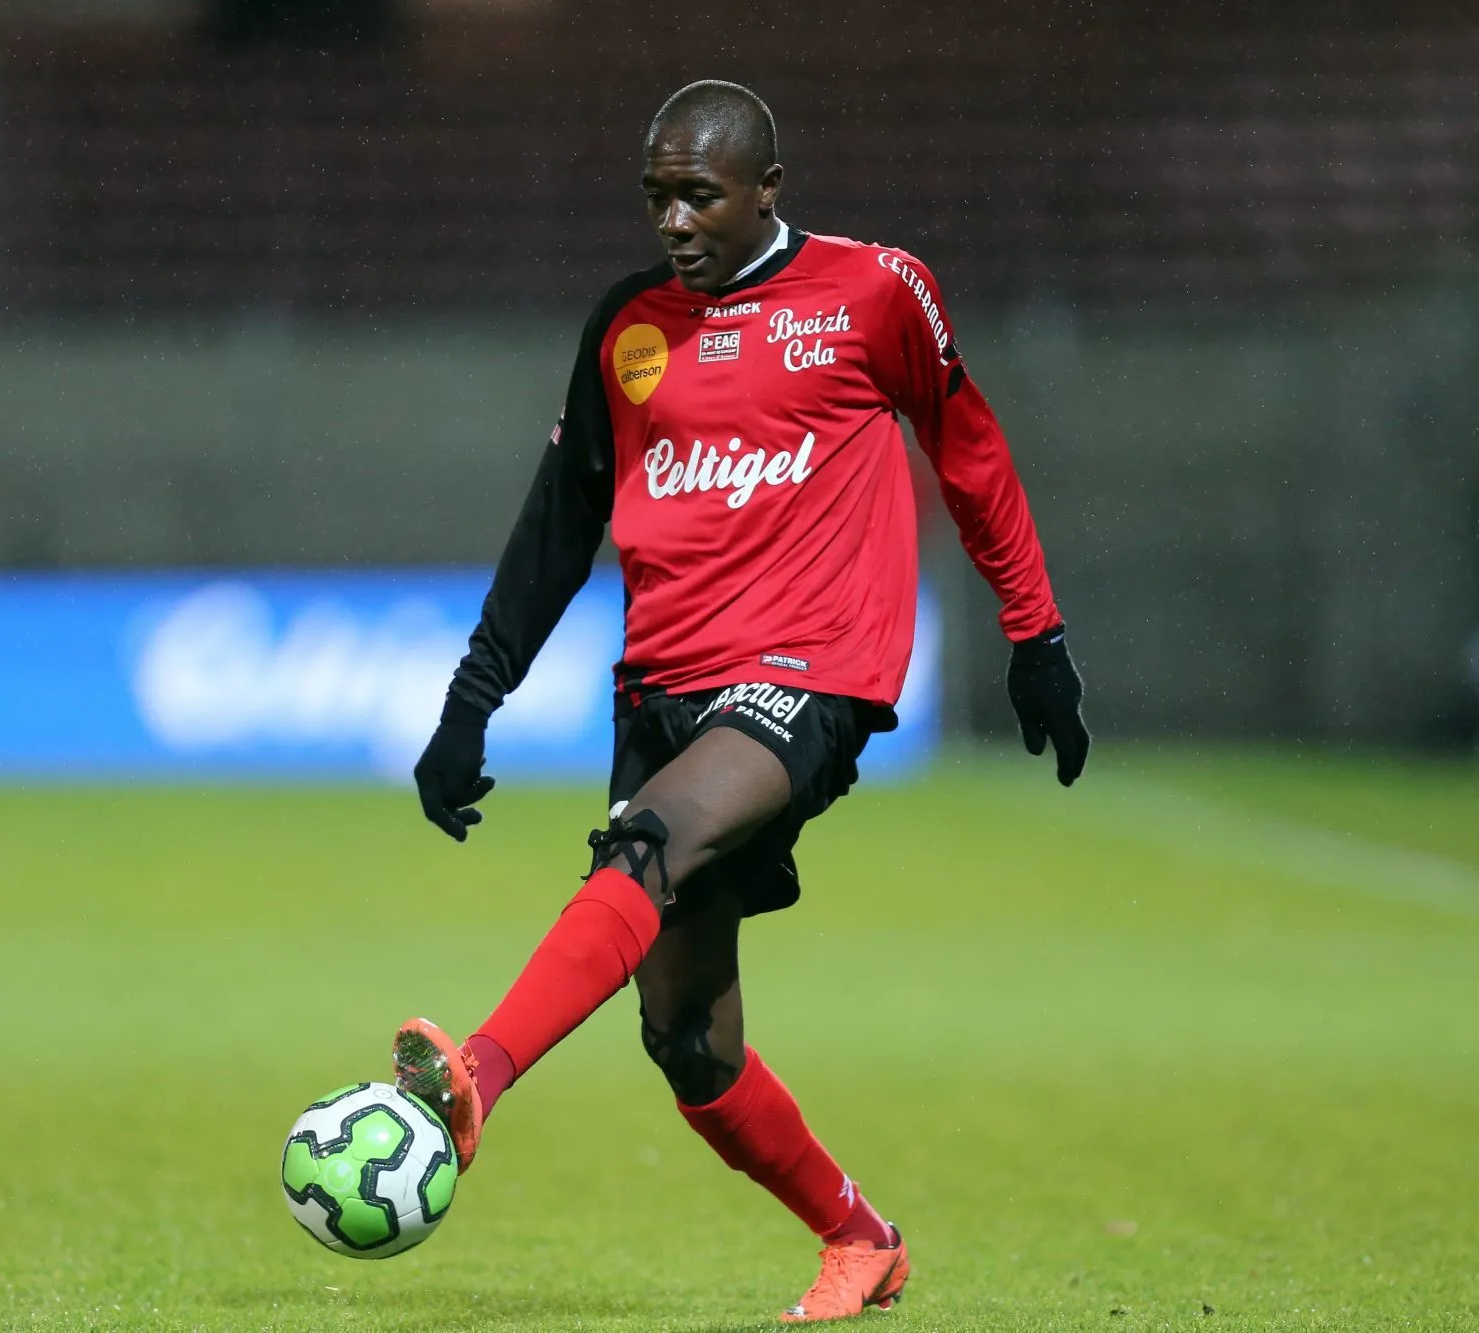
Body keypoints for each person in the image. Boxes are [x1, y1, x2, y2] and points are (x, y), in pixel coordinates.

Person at [399, 79, 1089, 1323]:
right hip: (662, 684)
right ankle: (860, 1238)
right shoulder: (629, 327)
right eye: (655, 197)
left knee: (646, 842)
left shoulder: (873, 292)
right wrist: (471, 699)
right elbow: (559, 525)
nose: (673, 221)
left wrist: (1033, 631)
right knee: (689, 1040)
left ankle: (477, 1080)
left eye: (698, 196)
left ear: (767, 189)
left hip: (810, 672)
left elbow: (969, 452)